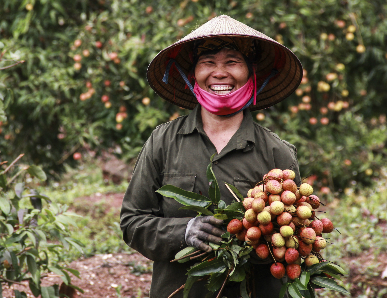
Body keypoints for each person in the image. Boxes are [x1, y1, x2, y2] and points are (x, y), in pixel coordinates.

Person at [120, 15, 303, 298]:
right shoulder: (163, 142)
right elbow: (133, 222)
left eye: (232, 62)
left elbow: (295, 242)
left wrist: (258, 239)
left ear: (251, 73)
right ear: (193, 74)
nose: (220, 73)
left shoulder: (277, 153)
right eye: (208, 63)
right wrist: (183, 231)